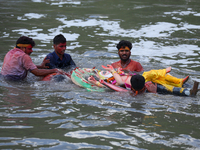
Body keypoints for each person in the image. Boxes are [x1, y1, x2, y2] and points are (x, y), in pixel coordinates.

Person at [87, 65, 198, 96]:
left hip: (145, 84)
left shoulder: (121, 80)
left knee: (159, 78)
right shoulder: (119, 85)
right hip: (149, 88)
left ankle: (179, 82)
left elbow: (110, 84)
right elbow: (109, 86)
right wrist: (95, 82)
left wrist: (114, 70)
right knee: (164, 87)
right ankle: (186, 90)